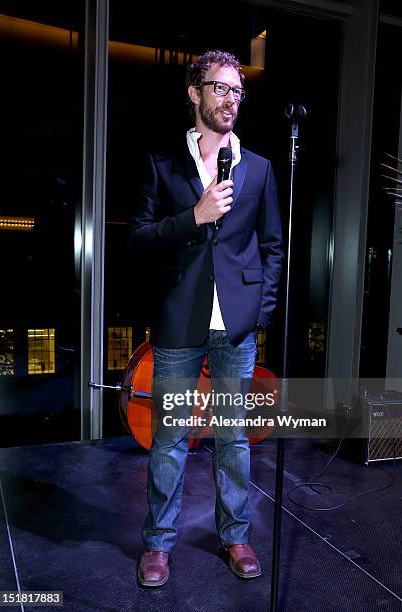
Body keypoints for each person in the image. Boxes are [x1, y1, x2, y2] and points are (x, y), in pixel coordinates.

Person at [129, 49, 283, 587]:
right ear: (195, 93)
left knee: (233, 438)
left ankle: (235, 535)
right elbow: (140, 238)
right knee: (170, 437)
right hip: (178, 323)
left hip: (236, 329)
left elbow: (272, 247)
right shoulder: (162, 162)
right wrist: (193, 218)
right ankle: (158, 544)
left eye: (238, 91)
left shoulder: (260, 168)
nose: (231, 100)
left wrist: (258, 313)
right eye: (221, 89)